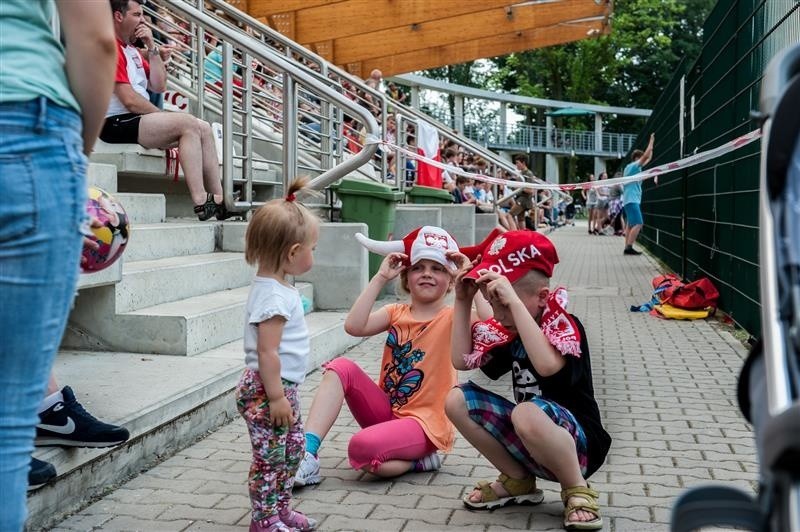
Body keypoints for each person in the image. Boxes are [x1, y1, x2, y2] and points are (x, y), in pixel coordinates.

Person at [0, 1, 116, 529]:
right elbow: (95, 41)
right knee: (7, 423)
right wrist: (75, 157)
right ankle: (48, 411)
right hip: (24, 125)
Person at [294, 226, 492, 487]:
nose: (427, 274)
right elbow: (354, 326)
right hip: (386, 412)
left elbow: (491, 327)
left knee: (362, 449)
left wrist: (471, 284)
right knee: (340, 367)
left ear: (451, 279)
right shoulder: (396, 311)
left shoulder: (454, 315)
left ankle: (420, 460)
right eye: (418, 268)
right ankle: (306, 454)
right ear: (406, 277)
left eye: (438, 269)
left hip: (424, 424)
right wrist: (379, 278)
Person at [445, 230, 611, 531]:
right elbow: (460, 360)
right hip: (531, 442)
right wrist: (461, 300)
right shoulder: (510, 331)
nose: (499, 314)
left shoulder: (564, 326)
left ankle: (576, 489)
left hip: (579, 449)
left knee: (526, 411)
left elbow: (547, 366)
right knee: (457, 400)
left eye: (505, 304)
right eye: (494, 305)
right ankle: (518, 480)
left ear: (542, 297)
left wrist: (514, 305)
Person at [100, 0, 236, 222]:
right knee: (188, 124)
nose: (143, 20)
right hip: (115, 122)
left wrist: (152, 47)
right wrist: (162, 116)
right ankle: (201, 200)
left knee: (203, 127)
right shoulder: (109, 47)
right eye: (137, 14)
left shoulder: (133, 51)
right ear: (118, 16)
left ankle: (220, 199)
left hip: (136, 119)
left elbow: (159, 85)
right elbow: (129, 101)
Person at [236, 179, 320, 532]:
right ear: (292, 252)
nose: (313, 256)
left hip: (283, 389)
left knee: (292, 451)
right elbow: (266, 351)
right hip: (267, 390)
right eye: (312, 249)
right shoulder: (272, 298)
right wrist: (275, 397)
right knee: (270, 459)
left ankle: (282, 510)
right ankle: (264, 519)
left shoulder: (280, 288)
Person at [622, 133, 655, 255]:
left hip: (629, 200)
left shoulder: (632, 170)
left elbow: (648, 157)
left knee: (630, 225)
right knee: (639, 223)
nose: (644, 161)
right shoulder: (633, 166)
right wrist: (651, 141)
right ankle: (629, 247)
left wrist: (651, 148)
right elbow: (646, 156)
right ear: (637, 158)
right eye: (641, 159)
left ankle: (627, 246)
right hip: (632, 200)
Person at [508, 155, 535, 230]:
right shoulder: (522, 173)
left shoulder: (528, 174)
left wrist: (519, 188)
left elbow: (530, 190)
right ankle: (522, 235)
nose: (516, 165)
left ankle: (514, 233)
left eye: (517, 163)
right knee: (521, 218)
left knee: (510, 215)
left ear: (523, 163)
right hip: (521, 198)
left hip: (524, 199)